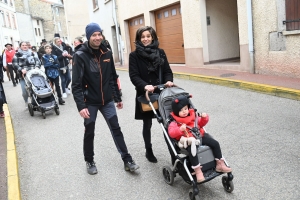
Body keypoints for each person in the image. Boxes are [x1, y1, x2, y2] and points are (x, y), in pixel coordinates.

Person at [72, 22, 139, 175]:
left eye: (99, 34)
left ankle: (127, 159)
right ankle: (89, 160)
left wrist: (117, 97)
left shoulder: (107, 53)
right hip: (90, 102)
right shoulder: (80, 55)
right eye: (94, 35)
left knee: (116, 129)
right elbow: (76, 84)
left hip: (107, 100)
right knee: (89, 131)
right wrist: (81, 106)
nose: (97, 37)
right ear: (89, 37)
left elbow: (112, 77)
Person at [129, 26, 174, 163]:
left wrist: (169, 81)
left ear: (152, 37)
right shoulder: (134, 56)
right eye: (142, 37)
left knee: (168, 124)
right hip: (146, 95)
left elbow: (167, 70)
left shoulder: (160, 52)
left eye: (148, 36)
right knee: (147, 124)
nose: (146, 39)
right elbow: (134, 76)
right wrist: (144, 86)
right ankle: (148, 150)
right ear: (138, 39)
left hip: (162, 92)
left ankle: (173, 154)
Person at [168, 95, 232, 183]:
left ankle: (220, 164)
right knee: (193, 151)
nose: (184, 112)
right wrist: (180, 130)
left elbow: (200, 124)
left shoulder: (193, 115)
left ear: (188, 107)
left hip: (199, 136)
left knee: (215, 143)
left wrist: (204, 118)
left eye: (185, 109)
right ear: (176, 112)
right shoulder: (175, 122)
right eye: (181, 110)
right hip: (189, 141)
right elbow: (171, 133)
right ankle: (198, 171)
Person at [12, 41, 41, 107]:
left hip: (33, 74)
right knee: (24, 91)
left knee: (34, 89)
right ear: (20, 46)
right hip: (23, 76)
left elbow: (37, 61)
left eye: (26, 45)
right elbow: (14, 64)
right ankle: (26, 101)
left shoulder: (32, 53)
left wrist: (37, 67)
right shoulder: (17, 54)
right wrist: (21, 69)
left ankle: (35, 102)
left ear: (28, 46)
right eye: (23, 45)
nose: (25, 46)